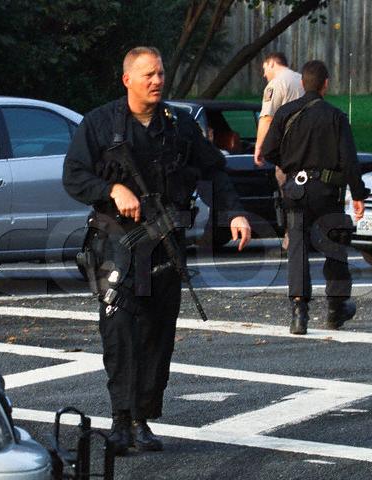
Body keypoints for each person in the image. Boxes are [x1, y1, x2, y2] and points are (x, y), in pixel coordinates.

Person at [62, 46, 251, 454]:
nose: (157, 81)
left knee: (157, 335)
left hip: (165, 245)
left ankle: (141, 419)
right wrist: (111, 188)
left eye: (161, 73)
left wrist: (234, 212)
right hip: (118, 243)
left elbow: (214, 170)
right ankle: (120, 421)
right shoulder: (100, 124)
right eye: (148, 74)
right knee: (120, 333)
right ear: (127, 79)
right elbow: (73, 175)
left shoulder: (178, 124)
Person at [261, 60, 369, 335]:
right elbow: (349, 160)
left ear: (302, 83)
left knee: (297, 246)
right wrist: (358, 194)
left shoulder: (285, 113)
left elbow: (268, 151)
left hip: (295, 190)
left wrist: (291, 165)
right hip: (327, 191)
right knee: (335, 246)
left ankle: (299, 312)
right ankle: (336, 307)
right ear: (325, 84)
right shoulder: (335, 116)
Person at [253, 52, 304, 249]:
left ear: (272, 63)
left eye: (265, 68)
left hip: (287, 152)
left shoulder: (275, 85)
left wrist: (259, 147)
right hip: (308, 149)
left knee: (288, 194)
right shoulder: (302, 80)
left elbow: (267, 118)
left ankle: (292, 236)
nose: (264, 74)